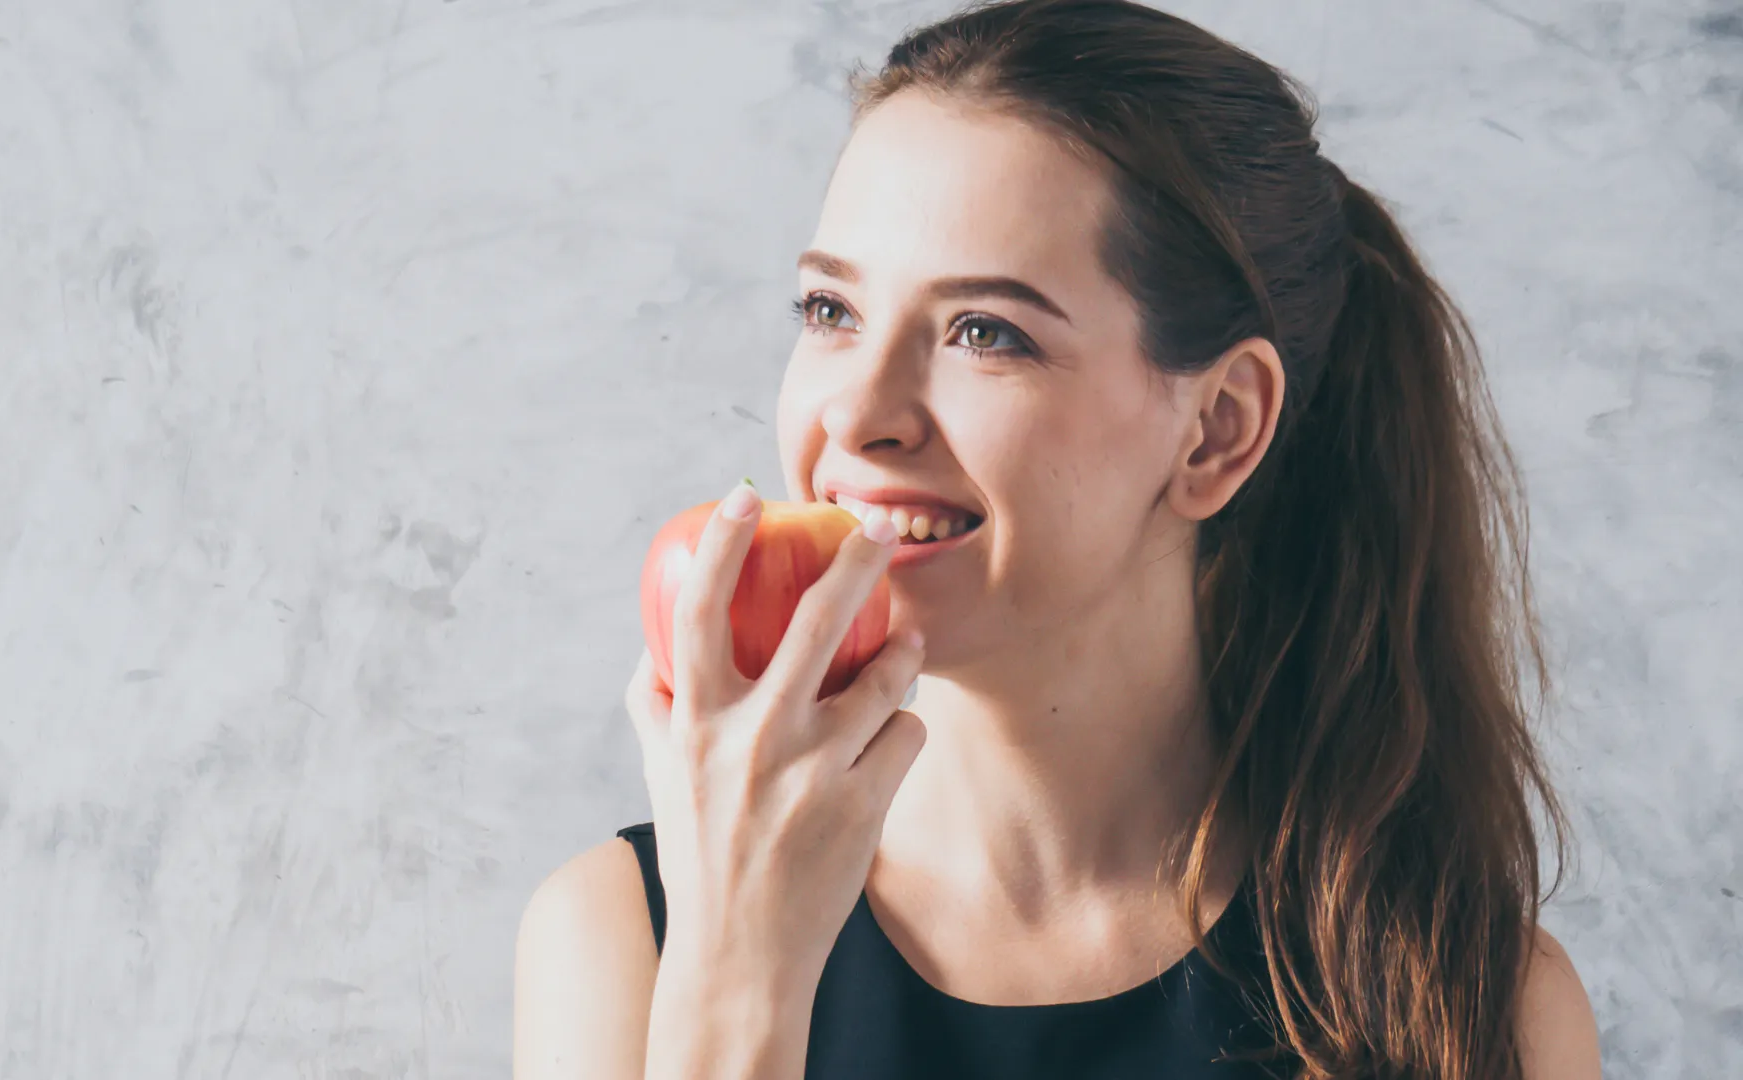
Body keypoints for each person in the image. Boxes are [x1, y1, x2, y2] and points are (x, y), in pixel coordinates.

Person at [513, 0, 1603, 1076]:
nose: (853, 415)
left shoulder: (1477, 1009)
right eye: (830, 311)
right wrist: (735, 975)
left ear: (1218, 430)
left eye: (985, 332)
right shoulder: (625, 943)